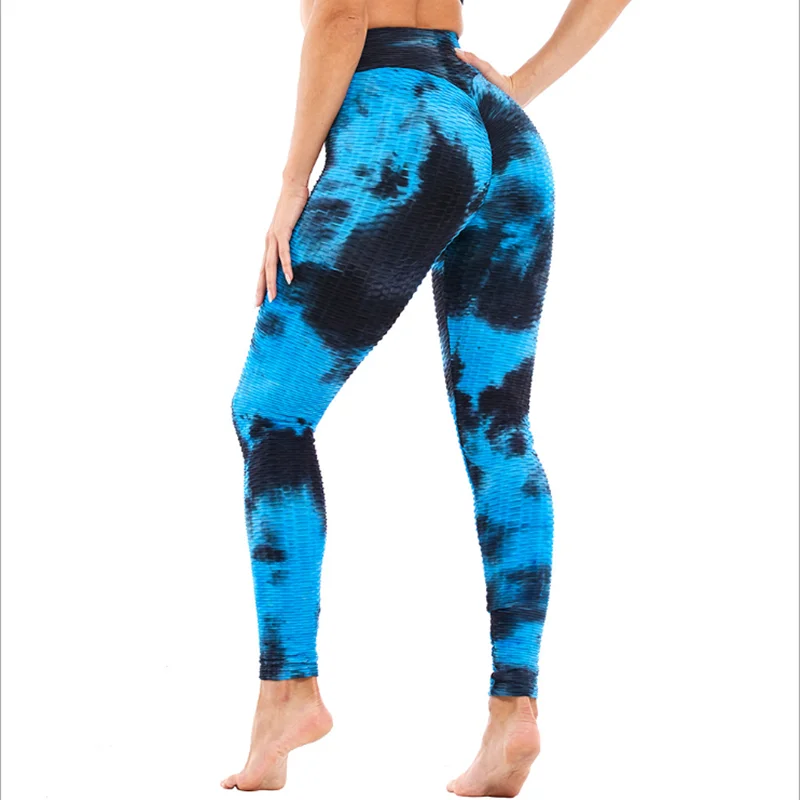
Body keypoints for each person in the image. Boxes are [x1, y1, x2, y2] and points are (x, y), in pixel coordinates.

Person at [224, 0, 630, 794]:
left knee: (270, 410)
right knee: (500, 432)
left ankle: (289, 689)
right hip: (501, 133)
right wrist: (518, 86)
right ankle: (514, 710)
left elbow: (343, 14)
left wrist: (292, 179)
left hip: (402, 128)